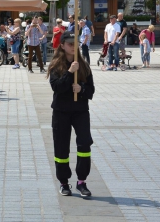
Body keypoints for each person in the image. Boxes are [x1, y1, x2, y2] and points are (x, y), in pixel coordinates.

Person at [46, 31, 95, 197]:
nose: (73, 47)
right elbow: (57, 88)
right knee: (61, 147)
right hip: (61, 111)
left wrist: (82, 89)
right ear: (62, 46)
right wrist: (69, 72)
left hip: (80, 111)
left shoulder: (84, 65)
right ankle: (64, 182)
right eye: (69, 44)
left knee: (84, 144)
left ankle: (82, 181)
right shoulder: (56, 65)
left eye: (75, 44)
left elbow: (91, 91)